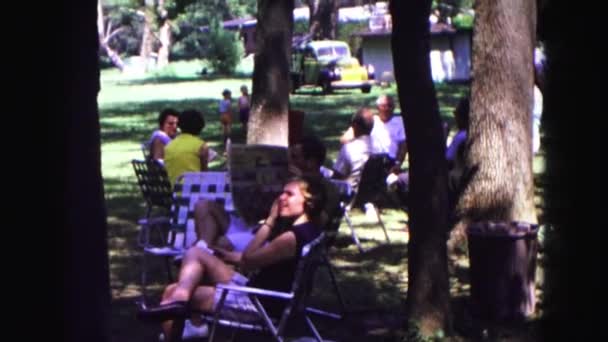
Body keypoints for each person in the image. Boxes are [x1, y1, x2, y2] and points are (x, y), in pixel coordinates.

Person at [137, 176, 327, 342]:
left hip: (260, 304)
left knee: (171, 292)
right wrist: (226, 255)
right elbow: (254, 259)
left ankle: (178, 303)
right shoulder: (311, 230)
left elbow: (247, 260)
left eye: (289, 194)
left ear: (309, 201)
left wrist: (270, 221)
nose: (281, 198)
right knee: (195, 255)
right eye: (282, 193)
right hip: (263, 293)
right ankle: (180, 301)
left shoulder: (290, 238)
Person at [331, 107, 373, 193]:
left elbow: (337, 175)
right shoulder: (378, 145)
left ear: (355, 126)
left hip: (348, 190)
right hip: (369, 189)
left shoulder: (349, 148)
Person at [164, 109, 209, 185]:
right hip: (196, 192)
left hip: (176, 192)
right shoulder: (201, 146)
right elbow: (205, 175)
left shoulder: (169, 146)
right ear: (200, 127)